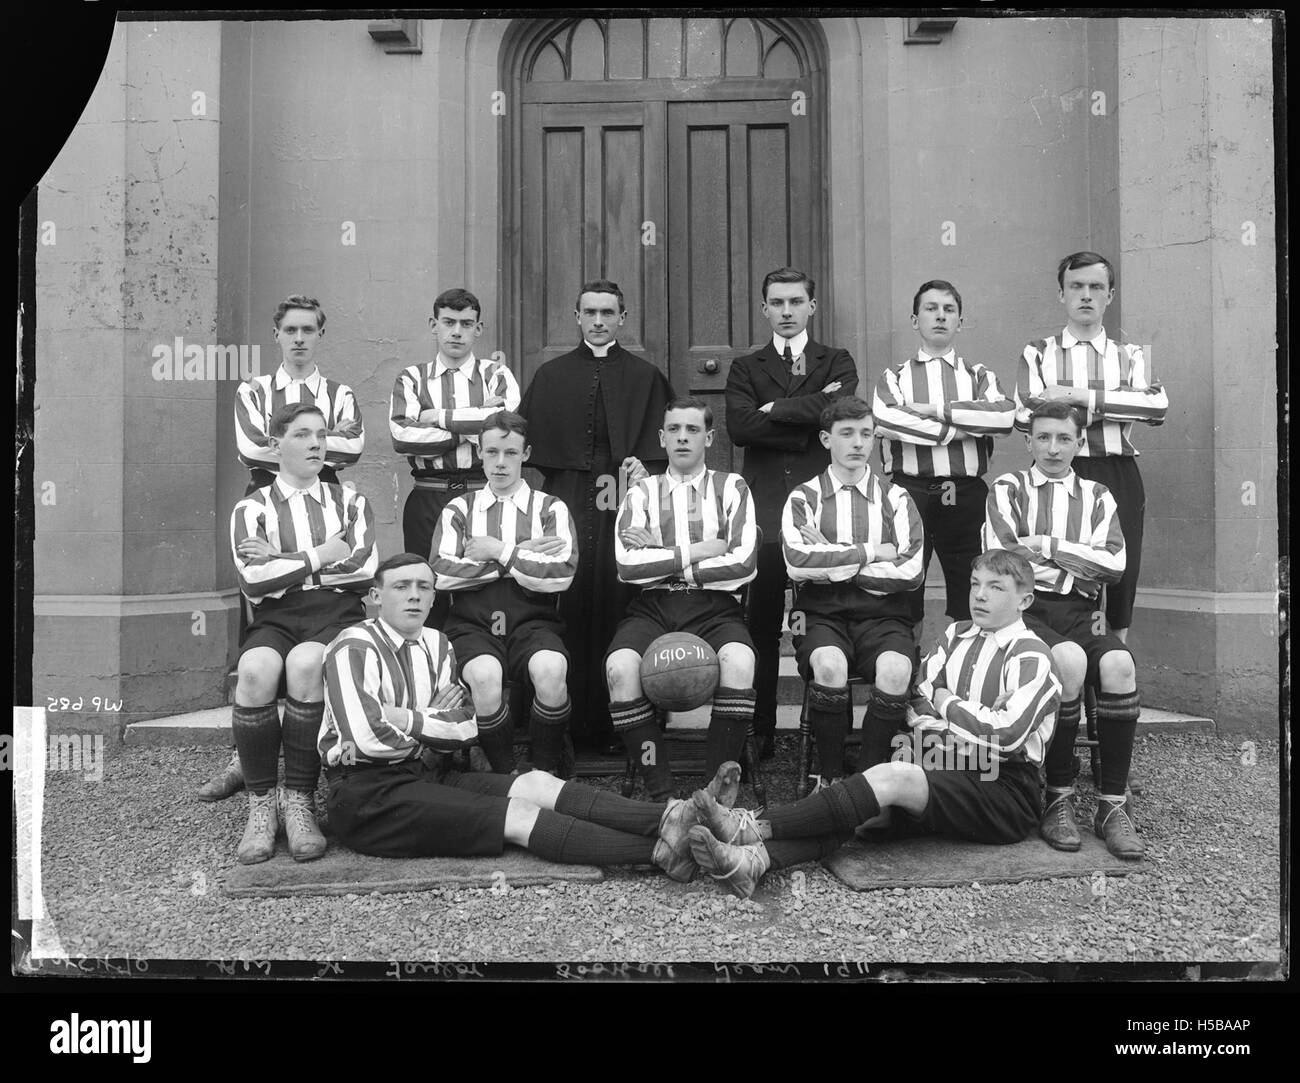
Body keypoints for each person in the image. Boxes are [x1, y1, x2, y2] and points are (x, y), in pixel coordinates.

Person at [320, 552, 742, 879]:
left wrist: (403, 717)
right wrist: (428, 720)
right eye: (400, 587)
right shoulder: (353, 646)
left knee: (536, 783)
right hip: (365, 794)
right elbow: (366, 738)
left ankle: (673, 816)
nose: (413, 595)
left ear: (435, 595)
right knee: (519, 816)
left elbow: (467, 726)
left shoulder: (437, 643)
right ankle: (665, 852)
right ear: (375, 596)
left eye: (423, 587)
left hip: (423, 770)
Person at [686, 549, 1063, 899]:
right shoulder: (953, 635)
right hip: (944, 765)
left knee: (892, 776)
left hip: (1004, 789)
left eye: (996, 588)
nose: (980, 595)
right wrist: (964, 721)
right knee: (862, 813)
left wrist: (946, 701)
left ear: (1024, 600)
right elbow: (916, 704)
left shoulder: (1033, 657)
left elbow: (1006, 737)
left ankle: (747, 825)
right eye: (975, 584)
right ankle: (753, 860)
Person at [200, 294, 365, 803]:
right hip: (268, 500)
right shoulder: (254, 390)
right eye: (289, 330)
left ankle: (316, 763)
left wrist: (297, 445)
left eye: (308, 330)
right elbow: (252, 447)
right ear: (277, 334)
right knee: (269, 618)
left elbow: (354, 446)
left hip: (325, 497)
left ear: (320, 335)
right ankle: (249, 754)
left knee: (316, 630)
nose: (298, 339)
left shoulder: (340, 392)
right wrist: (304, 447)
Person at [983, 401, 1144, 859]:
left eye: (1064, 438)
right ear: (1029, 440)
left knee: (1118, 665)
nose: (1054, 448)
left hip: (1082, 612)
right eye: (1045, 437)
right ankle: (1058, 796)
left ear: (1079, 443)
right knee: (1069, 659)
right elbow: (1004, 559)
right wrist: (1076, 562)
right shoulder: (1007, 489)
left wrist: (1048, 547)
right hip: (1024, 612)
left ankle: (1111, 807)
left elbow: (1113, 564)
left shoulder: (1098, 496)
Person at [519, 279, 674, 749]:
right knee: (565, 599)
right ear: (578, 318)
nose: (600, 321)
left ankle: (621, 723)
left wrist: (643, 466)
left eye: (609, 313)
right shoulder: (551, 375)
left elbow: (665, 447)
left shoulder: (646, 376)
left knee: (618, 598)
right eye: (591, 313)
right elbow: (533, 447)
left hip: (623, 498)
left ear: (622, 318)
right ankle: (560, 720)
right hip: (566, 497)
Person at [227, 401, 378, 864]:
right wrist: (320, 555)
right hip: (277, 616)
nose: (316, 443)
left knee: (306, 664)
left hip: (336, 613)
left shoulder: (350, 501)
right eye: (302, 434)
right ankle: (260, 805)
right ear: (275, 445)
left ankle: (298, 800)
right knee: (254, 671)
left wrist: (282, 559)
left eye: (321, 435)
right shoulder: (251, 508)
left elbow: (363, 569)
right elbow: (252, 581)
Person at [725, 267, 858, 758]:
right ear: (764, 309)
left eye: (795, 302)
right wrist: (808, 413)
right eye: (776, 303)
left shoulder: (836, 359)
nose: (786, 311)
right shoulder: (746, 366)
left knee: (829, 615)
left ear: (811, 307)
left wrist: (773, 408)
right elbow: (740, 428)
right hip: (763, 510)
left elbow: (838, 415)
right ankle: (757, 733)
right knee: (760, 622)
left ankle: (833, 735)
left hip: (822, 510)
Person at [607, 397, 759, 799]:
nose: (682, 437)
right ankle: (663, 794)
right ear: (661, 437)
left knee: (740, 662)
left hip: (715, 606)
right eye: (674, 429)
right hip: (653, 605)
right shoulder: (641, 492)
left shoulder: (733, 487)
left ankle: (717, 792)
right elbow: (626, 565)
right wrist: (700, 550)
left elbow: (743, 562)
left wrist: (661, 553)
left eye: (692, 430)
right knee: (620, 668)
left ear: (709, 438)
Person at [1014, 253, 1168, 644]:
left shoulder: (1129, 355)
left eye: (1096, 287)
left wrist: (1070, 396)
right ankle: (1061, 675)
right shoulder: (1038, 352)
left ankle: (1112, 676)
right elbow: (1024, 415)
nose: (1086, 295)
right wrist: (1111, 404)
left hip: (1116, 470)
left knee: (1120, 571)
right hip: (1055, 471)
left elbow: (1154, 407)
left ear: (1110, 295)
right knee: (1055, 562)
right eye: (1076, 286)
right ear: (1061, 294)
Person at [782, 396, 924, 789]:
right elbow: (797, 562)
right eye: (847, 434)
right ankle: (828, 779)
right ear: (826, 439)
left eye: (866, 433)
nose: (858, 443)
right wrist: (871, 552)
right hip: (822, 614)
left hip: (885, 614)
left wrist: (831, 555)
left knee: (897, 670)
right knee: (829, 666)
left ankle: (866, 780)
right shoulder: (803, 497)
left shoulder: (896, 498)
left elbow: (911, 570)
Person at [431, 410, 578, 776]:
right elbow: (442, 574)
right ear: (479, 453)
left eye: (510, 453)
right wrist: (522, 556)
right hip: (472, 624)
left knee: (551, 668)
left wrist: (498, 550)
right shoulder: (459, 509)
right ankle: (505, 776)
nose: (500, 463)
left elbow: (560, 574)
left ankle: (543, 774)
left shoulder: (550, 507)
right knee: (483, 675)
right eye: (492, 452)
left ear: (525, 454)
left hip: (533, 622)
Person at [872, 279, 1014, 634]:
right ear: (914, 319)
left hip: (965, 492)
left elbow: (1001, 417)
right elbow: (887, 419)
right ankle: (904, 675)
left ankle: (964, 672)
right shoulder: (895, 377)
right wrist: (959, 430)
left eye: (949, 310)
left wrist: (934, 410)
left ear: (960, 322)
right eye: (931, 309)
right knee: (906, 583)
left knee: (973, 584)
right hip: (909, 491)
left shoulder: (980, 375)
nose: (940, 316)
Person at [390, 287, 521, 629]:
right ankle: (427, 670)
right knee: (424, 585)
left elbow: (502, 425)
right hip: (428, 494)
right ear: (434, 324)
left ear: (479, 329)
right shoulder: (411, 378)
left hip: (481, 494)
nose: (457, 331)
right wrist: (472, 424)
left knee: (479, 584)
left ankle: (477, 667)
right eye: (448, 322)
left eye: (466, 323)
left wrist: (436, 417)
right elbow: (403, 438)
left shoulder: (497, 375)